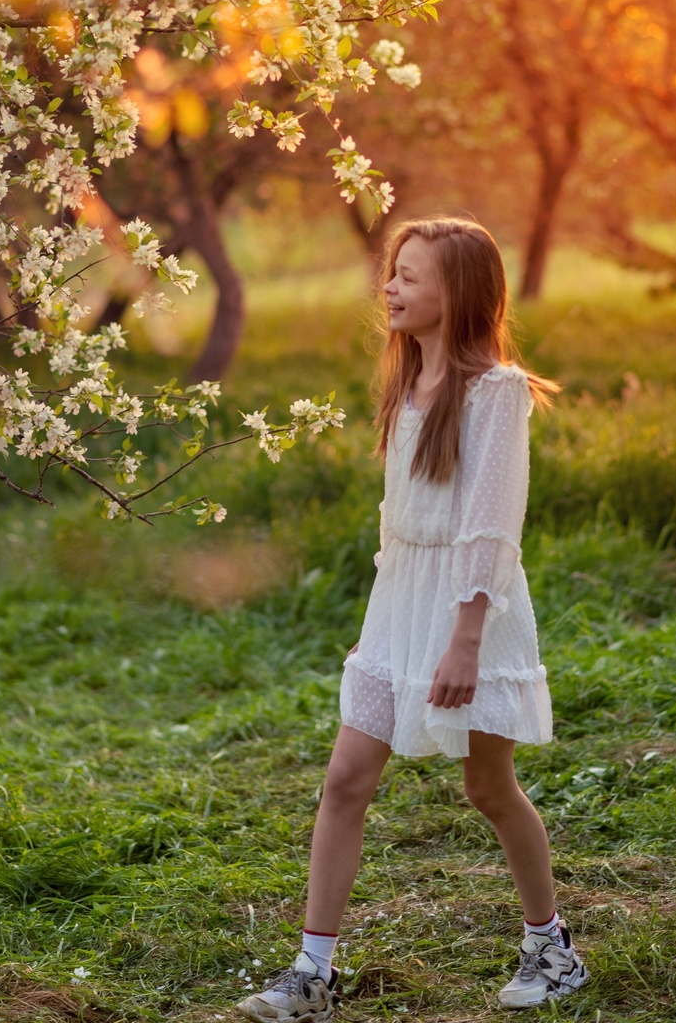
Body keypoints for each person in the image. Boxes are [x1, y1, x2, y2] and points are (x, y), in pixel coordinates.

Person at [238, 217, 587, 1021]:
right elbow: (401, 527)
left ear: (457, 292)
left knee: (487, 786)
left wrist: (463, 640)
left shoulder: (494, 390)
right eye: (391, 272)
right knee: (345, 778)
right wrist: (381, 627)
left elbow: (492, 526)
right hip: (401, 604)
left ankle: (551, 947)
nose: (389, 287)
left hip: (473, 611)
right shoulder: (402, 385)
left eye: (411, 275)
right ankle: (313, 974)